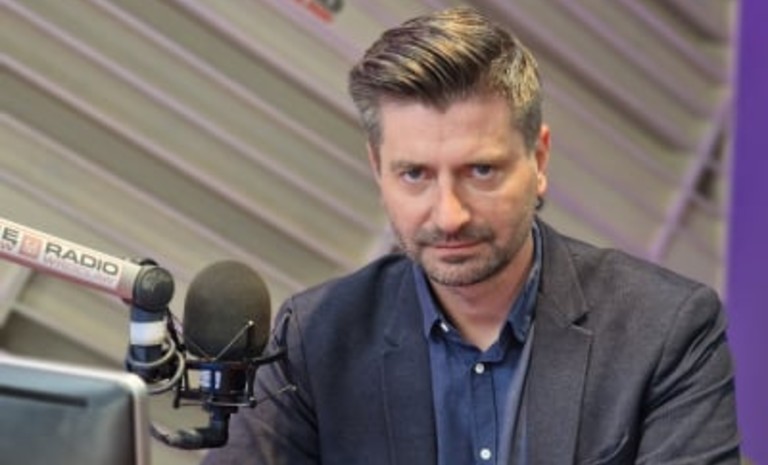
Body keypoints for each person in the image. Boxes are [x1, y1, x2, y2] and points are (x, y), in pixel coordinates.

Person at [201, 6, 739, 465]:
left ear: (539, 159)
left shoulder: (664, 329)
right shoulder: (315, 337)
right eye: (415, 174)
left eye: (481, 171)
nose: (449, 215)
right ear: (377, 169)